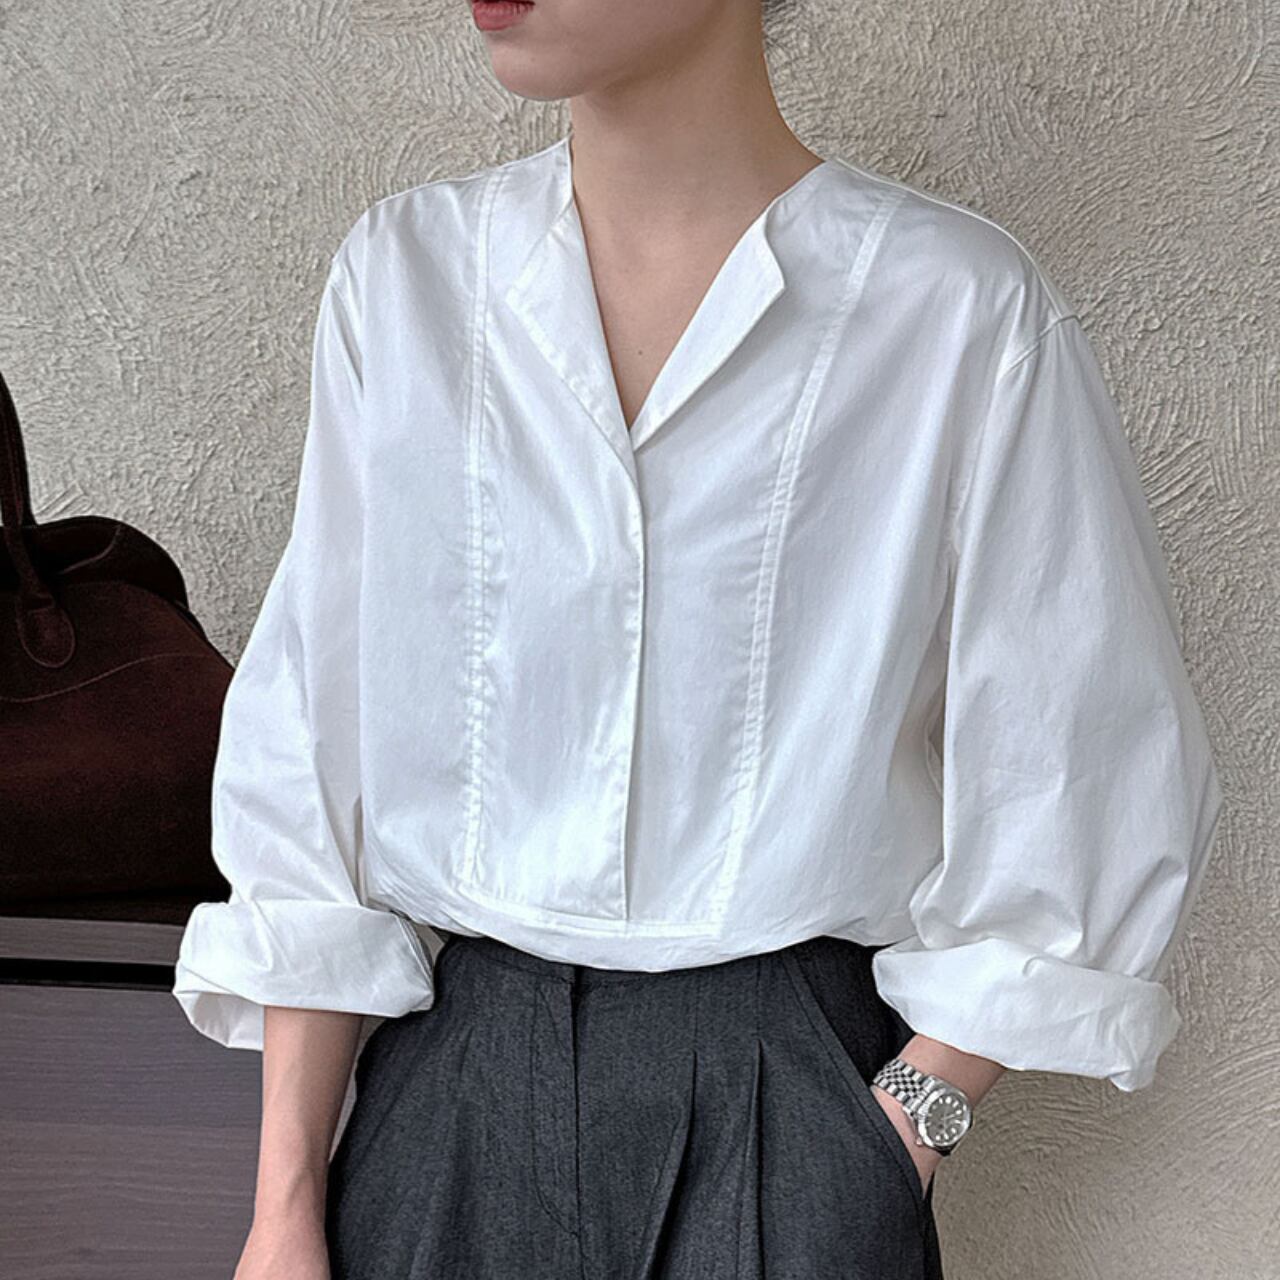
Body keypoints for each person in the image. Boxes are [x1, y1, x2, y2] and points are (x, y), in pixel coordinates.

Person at [171, 1, 1224, 1276]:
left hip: (788, 1092)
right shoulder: (405, 282)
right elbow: (308, 751)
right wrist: (283, 1201)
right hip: (444, 1095)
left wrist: (894, 1134)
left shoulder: (951, 311)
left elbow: (1080, 757)